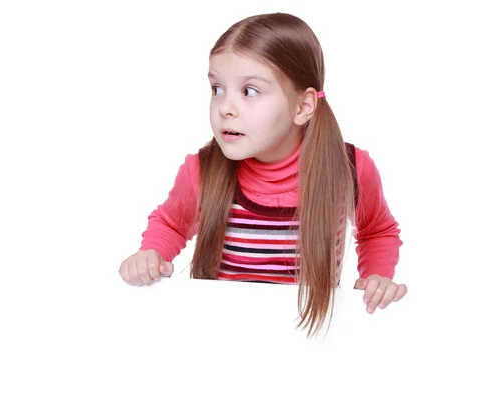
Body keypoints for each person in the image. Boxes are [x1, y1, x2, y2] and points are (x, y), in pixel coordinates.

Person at [118, 12, 407, 336]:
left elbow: (377, 231)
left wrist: (375, 278)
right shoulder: (203, 169)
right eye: (217, 88)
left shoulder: (347, 169)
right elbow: (170, 223)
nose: (225, 107)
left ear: (302, 106)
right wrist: (151, 254)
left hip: (310, 339)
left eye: (249, 91)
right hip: (220, 333)